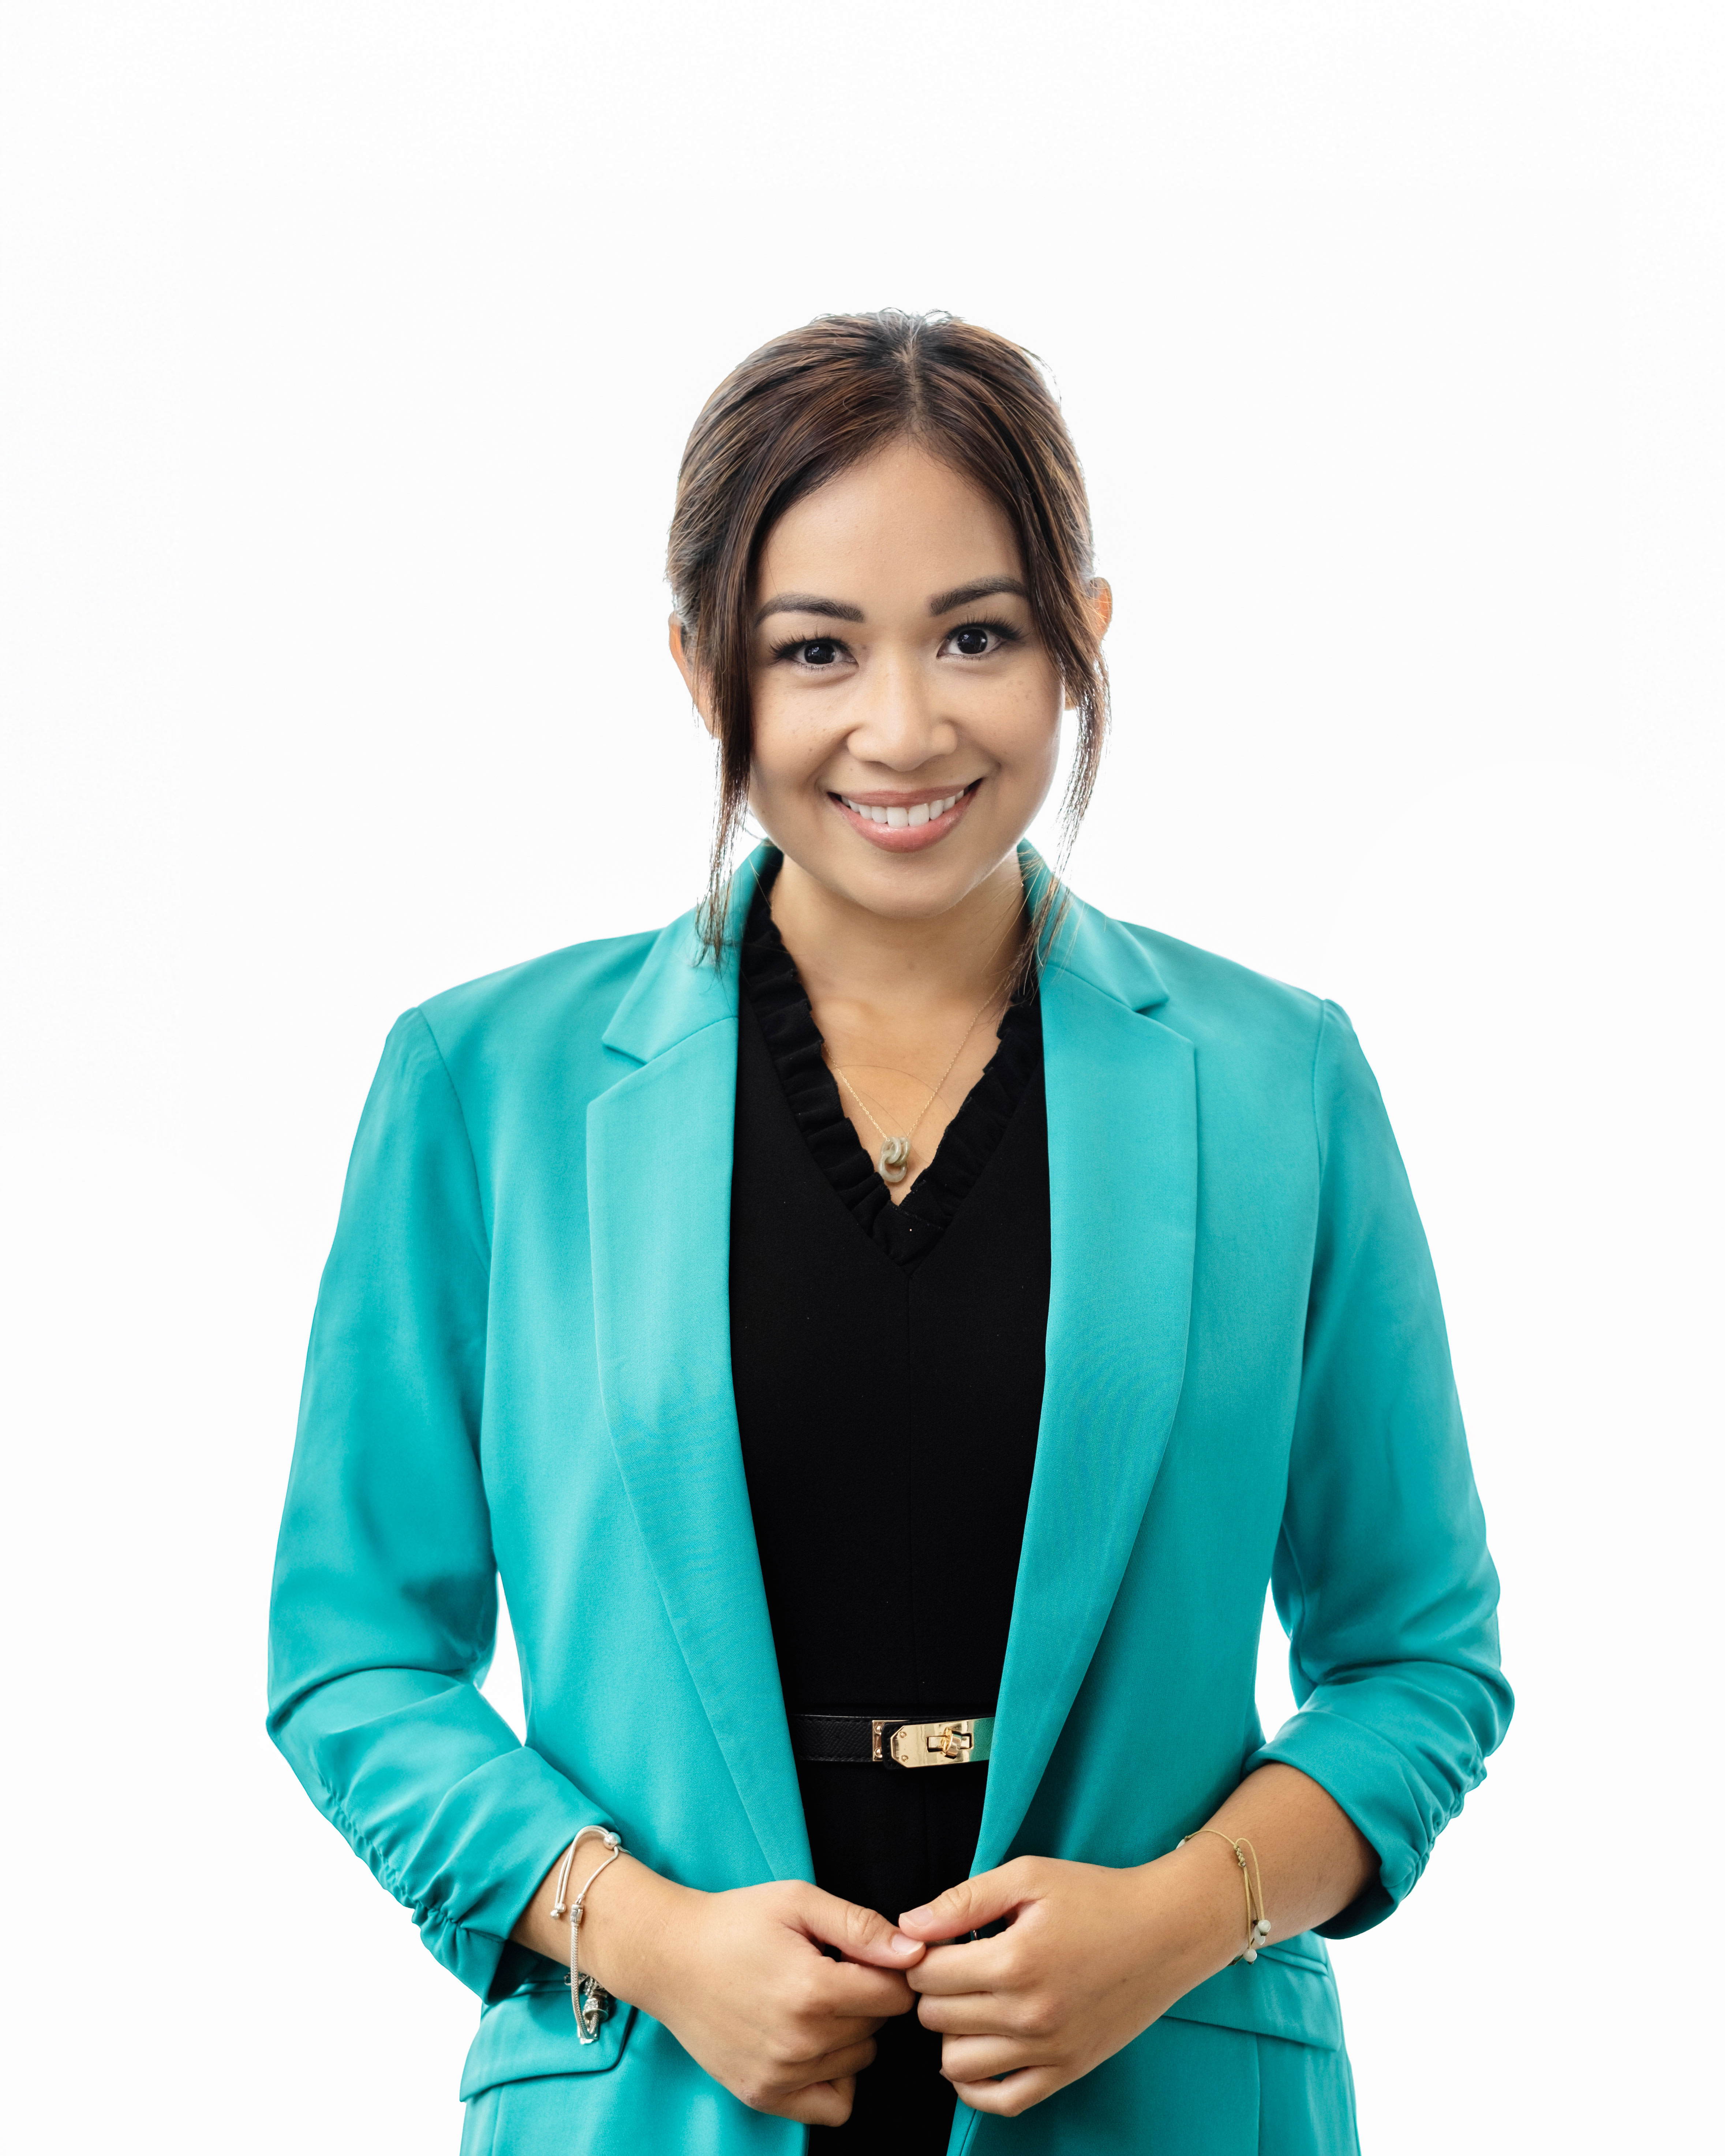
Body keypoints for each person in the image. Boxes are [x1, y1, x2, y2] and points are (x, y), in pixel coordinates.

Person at [267, 310, 1511, 2155]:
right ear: (704, 668)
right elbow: (354, 1655)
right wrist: (649, 1937)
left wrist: (1178, 1923)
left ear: (1084, 640)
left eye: (978, 636)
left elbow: (1420, 1659)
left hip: (1163, 2097)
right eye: (817, 650)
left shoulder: (1281, 1085)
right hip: (660, 2099)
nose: (906, 726)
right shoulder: (483, 1087)